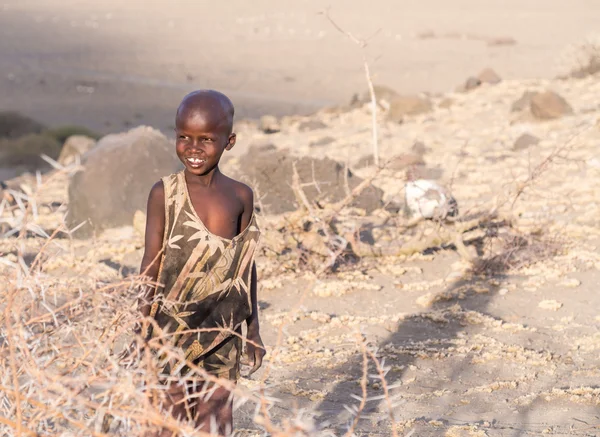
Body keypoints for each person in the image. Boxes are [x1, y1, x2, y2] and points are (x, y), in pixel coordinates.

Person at [135, 89, 265, 436]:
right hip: (169, 331)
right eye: (184, 138)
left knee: (215, 421)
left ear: (229, 141)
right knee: (168, 420)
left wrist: (252, 331)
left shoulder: (240, 196)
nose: (193, 149)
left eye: (206, 139)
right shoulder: (164, 193)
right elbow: (151, 262)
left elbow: (244, 265)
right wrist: (141, 325)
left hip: (223, 333)